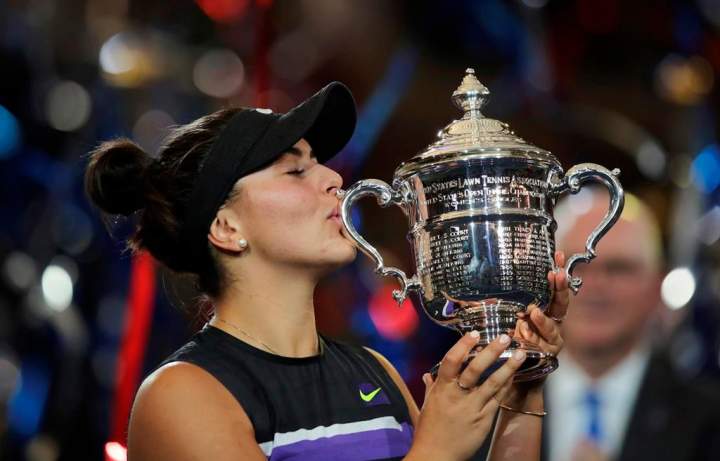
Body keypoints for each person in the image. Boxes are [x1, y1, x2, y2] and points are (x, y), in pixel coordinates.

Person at [85, 81, 569, 461]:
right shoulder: (181, 394)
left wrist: (522, 389)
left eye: (318, 162)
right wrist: (435, 452)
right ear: (226, 227)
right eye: (295, 171)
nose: (334, 178)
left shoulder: (374, 370)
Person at [544, 190, 720, 461]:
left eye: (618, 268)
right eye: (576, 266)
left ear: (657, 284)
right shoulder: (489, 409)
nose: (596, 286)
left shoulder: (708, 419)